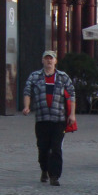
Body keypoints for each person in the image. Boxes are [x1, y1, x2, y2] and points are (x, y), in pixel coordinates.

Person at [21, 49, 75, 186]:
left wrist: (72, 114)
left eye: (51, 58)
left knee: (56, 148)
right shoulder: (35, 76)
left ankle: (54, 176)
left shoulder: (63, 77)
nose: (49, 61)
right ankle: (44, 169)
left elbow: (72, 95)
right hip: (42, 118)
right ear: (42, 60)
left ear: (55, 61)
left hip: (59, 119)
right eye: (46, 58)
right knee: (43, 147)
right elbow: (27, 91)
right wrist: (27, 106)